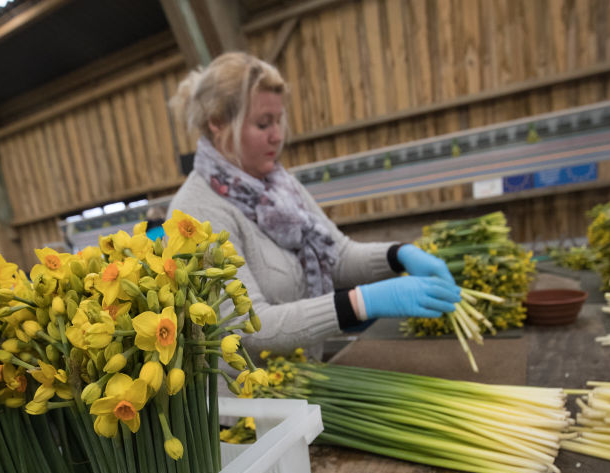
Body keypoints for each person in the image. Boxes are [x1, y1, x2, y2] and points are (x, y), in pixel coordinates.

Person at [167, 52, 459, 358]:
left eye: (279, 121)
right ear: (217, 122)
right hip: (257, 399)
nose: (277, 136)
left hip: (305, 376)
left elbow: (339, 255)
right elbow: (251, 327)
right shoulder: (196, 212)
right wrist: (360, 303)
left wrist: (398, 255)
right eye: (263, 124)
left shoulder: (279, 185)